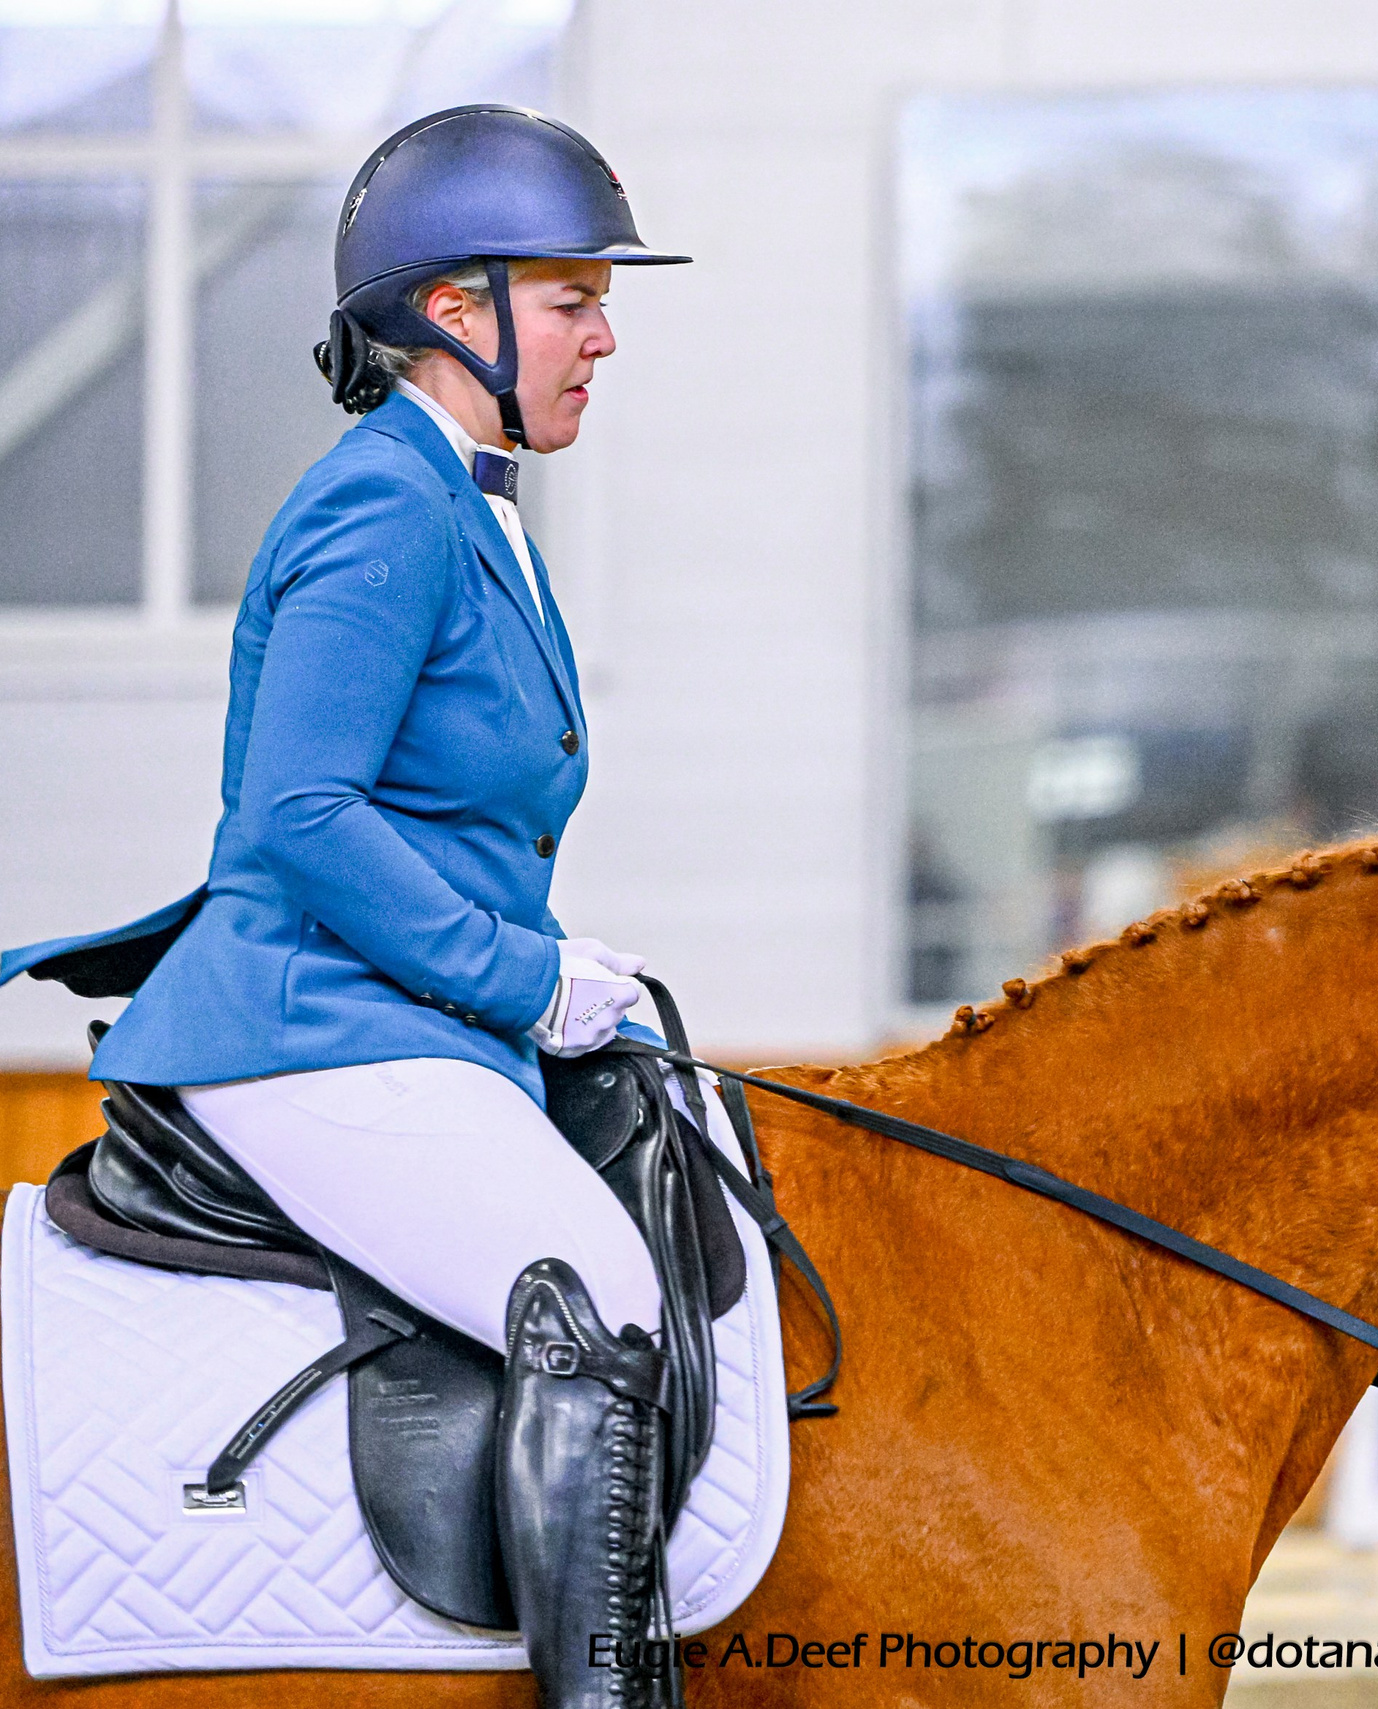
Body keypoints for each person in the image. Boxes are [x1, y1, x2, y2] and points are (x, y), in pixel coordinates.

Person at [1, 104, 691, 1708]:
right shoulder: (385, 503)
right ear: (458, 310)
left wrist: (560, 969)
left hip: (400, 1016)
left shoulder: (473, 502)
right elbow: (300, 814)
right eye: (574, 297)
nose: (605, 334)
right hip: (313, 1026)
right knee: (596, 1300)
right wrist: (521, 977)